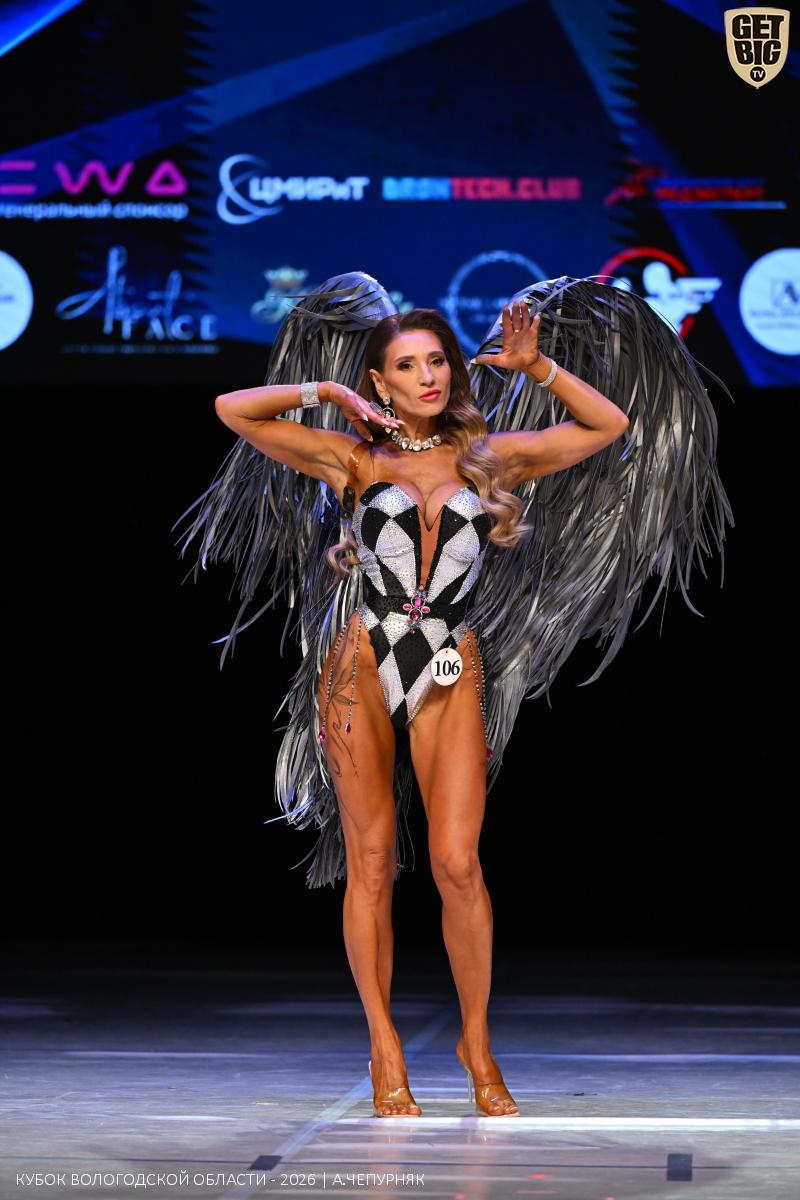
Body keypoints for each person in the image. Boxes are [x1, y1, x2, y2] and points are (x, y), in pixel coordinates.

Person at [181, 271, 729, 1120]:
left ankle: (477, 1042)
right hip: (359, 664)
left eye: (437, 360)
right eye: (407, 365)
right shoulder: (352, 458)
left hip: (449, 664)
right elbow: (232, 409)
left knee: (458, 865)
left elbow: (609, 426)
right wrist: (328, 394)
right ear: (381, 381)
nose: (428, 376)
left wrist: (537, 367)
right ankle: (383, 1043)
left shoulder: (492, 457)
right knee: (372, 863)